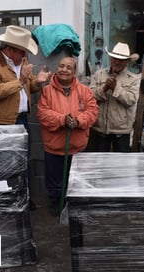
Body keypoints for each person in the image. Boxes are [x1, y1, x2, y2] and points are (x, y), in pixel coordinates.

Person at [0, 25, 52, 210]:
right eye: (22, 51)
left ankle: (23, 196)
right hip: (1, 122)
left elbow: (28, 88)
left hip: (21, 119)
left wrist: (38, 81)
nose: (25, 54)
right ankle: (9, 199)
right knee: (5, 163)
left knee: (23, 160)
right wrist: (20, 80)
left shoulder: (22, 61)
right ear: (9, 50)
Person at [37, 57, 98, 216]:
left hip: (77, 146)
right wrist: (62, 120)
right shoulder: (47, 91)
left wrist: (78, 121)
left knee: (76, 180)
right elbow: (43, 114)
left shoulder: (84, 91)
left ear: (74, 72)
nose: (64, 70)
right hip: (55, 146)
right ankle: (57, 202)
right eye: (61, 66)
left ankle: (75, 203)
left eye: (68, 67)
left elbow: (92, 112)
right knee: (55, 180)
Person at [89, 42, 140, 152]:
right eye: (114, 58)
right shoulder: (99, 74)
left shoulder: (133, 79)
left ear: (126, 62)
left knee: (120, 165)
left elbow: (131, 100)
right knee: (99, 164)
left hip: (121, 131)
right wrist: (104, 88)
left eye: (120, 60)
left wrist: (115, 88)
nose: (116, 62)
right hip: (100, 129)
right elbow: (89, 96)